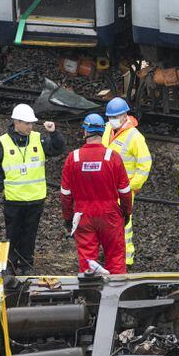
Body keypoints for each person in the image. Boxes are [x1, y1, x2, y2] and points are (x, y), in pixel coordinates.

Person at [0, 103, 65, 274]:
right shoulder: (2, 143)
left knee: (30, 235)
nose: (30, 126)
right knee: (13, 234)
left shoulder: (39, 139)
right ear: (17, 122)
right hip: (14, 200)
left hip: (35, 199)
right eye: (27, 123)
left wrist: (54, 133)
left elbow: (59, 148)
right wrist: (0, 186)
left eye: (32, 123)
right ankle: (11, 266)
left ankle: (26, 265)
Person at [60, 113, 133, 275]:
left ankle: (89, 296)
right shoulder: (112, 157)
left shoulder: (74, 158)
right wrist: (126, 212)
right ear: (103, 131)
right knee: (115, 257)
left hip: (83, 215)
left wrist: (67, 217)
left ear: (85, 131)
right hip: (110, 215)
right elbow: (125, 192)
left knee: (88, 260)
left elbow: (66, 194)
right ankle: (116, 293)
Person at [102, 97, 151, 267]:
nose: (111, 120)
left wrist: (133, 186)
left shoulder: (135, 137)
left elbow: (145, 164)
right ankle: (112, 253)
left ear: (124, 116)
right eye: (109, 117)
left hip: (123, 190)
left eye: (114, 117)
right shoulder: (108, 129)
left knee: (124, 225)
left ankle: (126, 257)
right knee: (108, 223)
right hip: (107, 188)